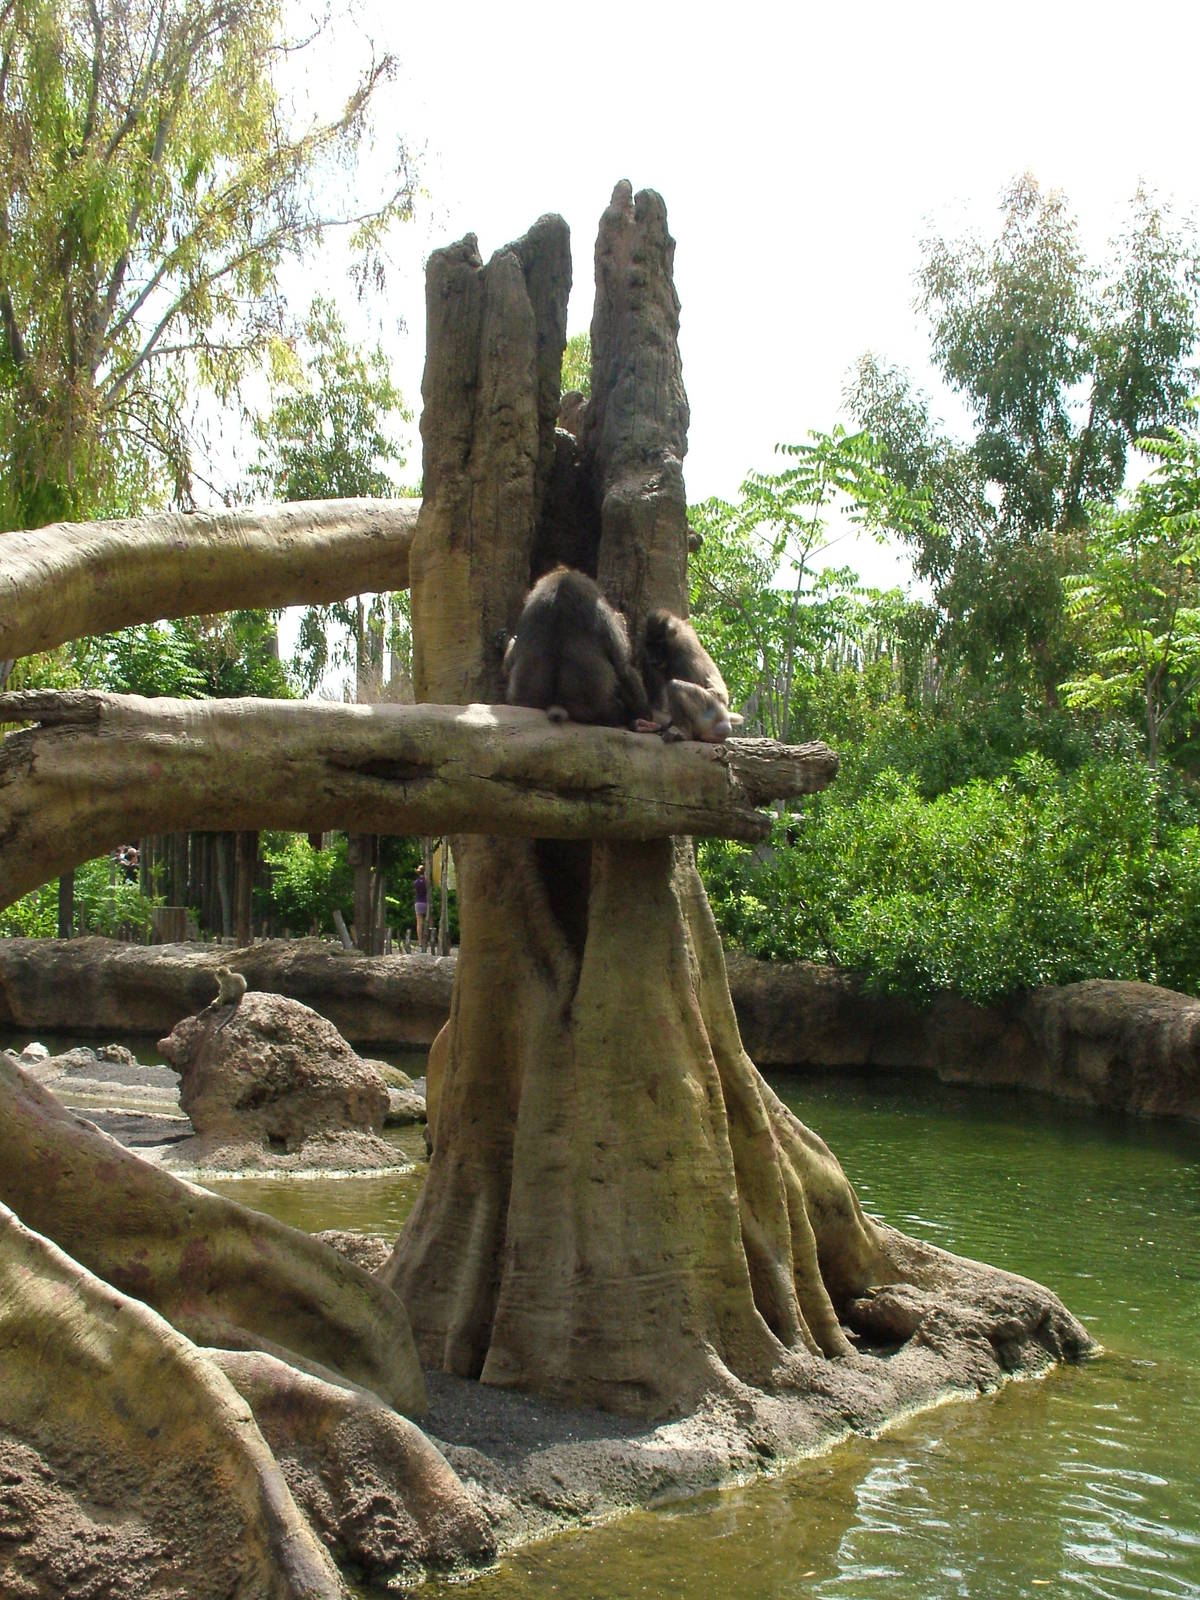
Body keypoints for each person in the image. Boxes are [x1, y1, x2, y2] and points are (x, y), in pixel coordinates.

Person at [413, 867, 429, 947]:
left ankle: (420, 941)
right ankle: (428, 939)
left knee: (419, 923)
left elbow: (415, 891)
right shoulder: (427, 882)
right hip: (426, 902)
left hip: (418, 902)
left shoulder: (416, 882)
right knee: (428, 921)